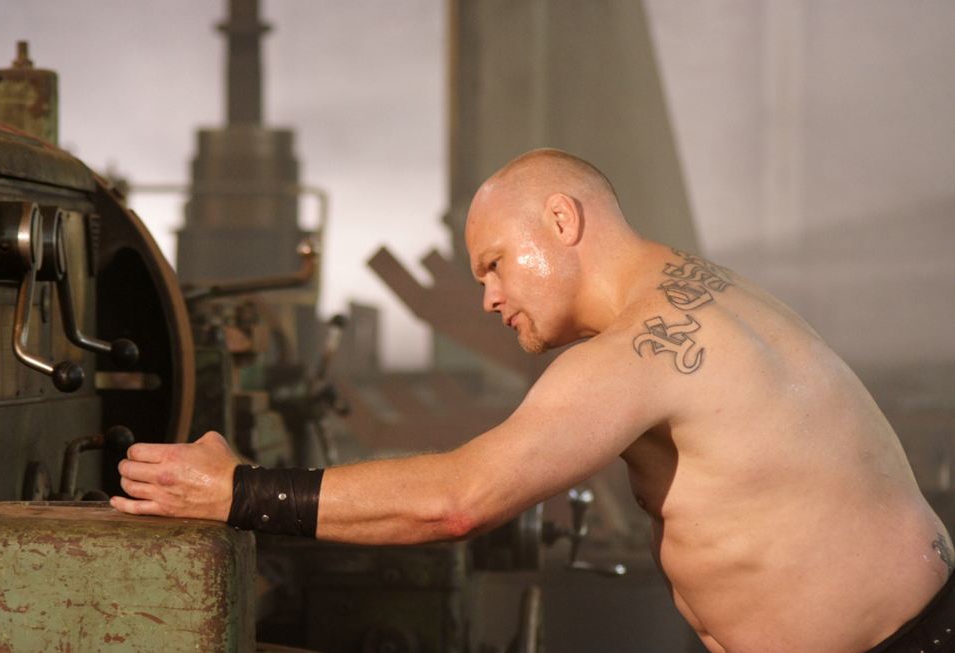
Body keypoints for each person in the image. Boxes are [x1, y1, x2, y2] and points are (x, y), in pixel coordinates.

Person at [112, 148, 954, 653]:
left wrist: (238, 490)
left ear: (562, 219)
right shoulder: (718, 295)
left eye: (495, 263)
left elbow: (457, 500)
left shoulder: (635, 351)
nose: (488, 296)